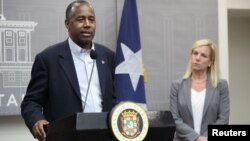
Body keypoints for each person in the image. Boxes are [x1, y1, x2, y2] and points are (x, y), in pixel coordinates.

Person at [21, 1, 116, 141]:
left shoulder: (108, 56)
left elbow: (116, 96)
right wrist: (36, 120)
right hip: (65, 136)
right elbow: (30, 102)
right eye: (80, 19)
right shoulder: (48, 59)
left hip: (105, 135)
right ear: (67, 24)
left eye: (91, 19)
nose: (87, 25)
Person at [170, 39, 230, 141]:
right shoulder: (177, 85)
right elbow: (175, 119)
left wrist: (206, 138)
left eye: (203, 55)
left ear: (211, 61)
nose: (197, 58)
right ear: (191, 56)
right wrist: (196, 138)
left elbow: (223, 119)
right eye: (195, 53)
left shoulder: (221, 86)